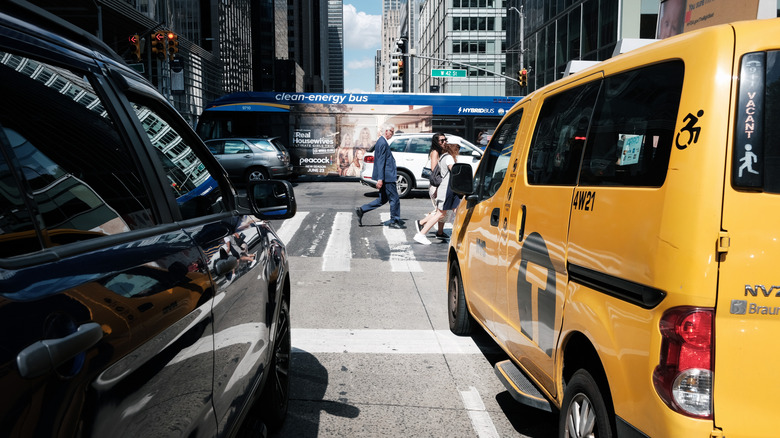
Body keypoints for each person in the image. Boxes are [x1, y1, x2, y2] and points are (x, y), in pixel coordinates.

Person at [355, 124, 404, 229]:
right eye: (391, 131)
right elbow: (380, 162)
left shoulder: (382, 142)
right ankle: (394, 221)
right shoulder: (382, 142)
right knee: (395, 199)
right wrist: (380, 179)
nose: (392, 133)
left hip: (386, 176)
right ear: (386, 131)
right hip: (387, 177)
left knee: (382, 199)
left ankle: (362, 210)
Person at [414, 142, 461, 244]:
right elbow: (454, 171)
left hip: (450, 189)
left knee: (457, 210)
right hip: (447, 189)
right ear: (453, 147)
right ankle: (421, 234)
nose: (459, 150)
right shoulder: (448, 158)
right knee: (440, 214)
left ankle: (461, 235)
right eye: (458, 147)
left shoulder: (444, 156)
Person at [414, 133, 447, 239]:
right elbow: (434, 170)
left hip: (440, 184)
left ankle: (440, 232)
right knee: (440, 211)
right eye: (442, 140)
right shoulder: (435, 152)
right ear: (436, 142)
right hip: (437, 185)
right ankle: (421, 222)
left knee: (442, 209)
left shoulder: (442, 152)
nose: (444, 142)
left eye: (445, 140)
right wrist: (439, 186)